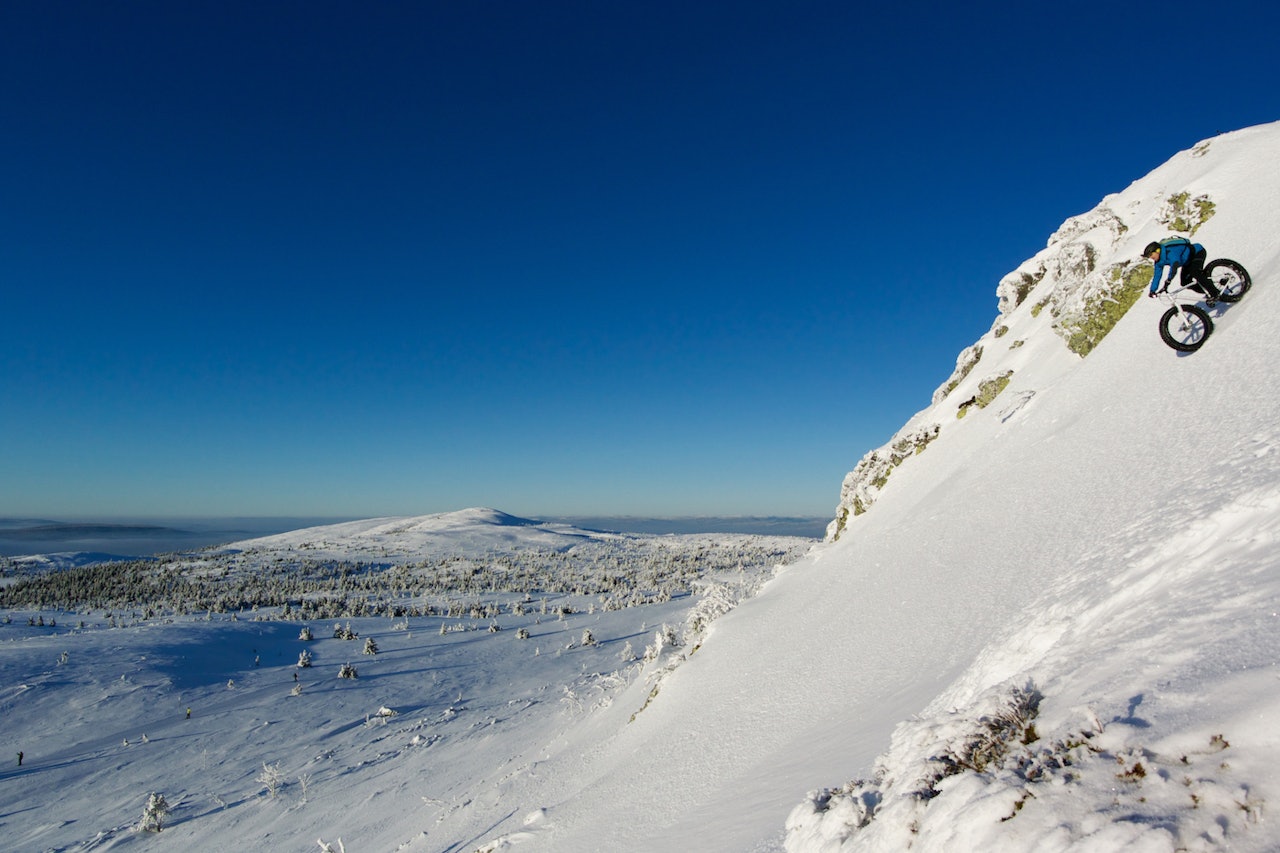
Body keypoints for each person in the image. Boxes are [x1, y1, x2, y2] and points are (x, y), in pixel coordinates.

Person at [1145, 238, 1221, 304]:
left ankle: (1215, 293)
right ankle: (1208, 292)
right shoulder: (1158, 262)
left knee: (1195, 272)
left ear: (1157, 250)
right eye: (1149, 256)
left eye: (1151, 255)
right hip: (1187, 261)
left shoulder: (1170, 251)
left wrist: (1169, 279)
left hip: (1197, 252)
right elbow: (1157, 276)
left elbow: (1174, 265)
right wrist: (1152, 290)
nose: (1151, 257)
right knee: (1185, 282)